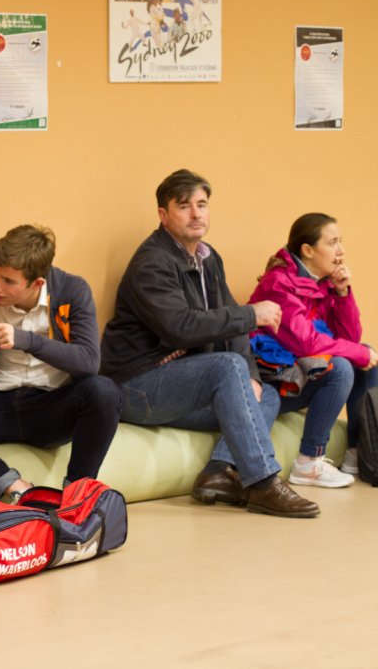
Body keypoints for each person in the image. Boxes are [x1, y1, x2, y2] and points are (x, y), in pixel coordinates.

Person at [100, 168, 320, 518]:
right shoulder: (152, 263)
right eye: (184, 206)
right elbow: (180, 327)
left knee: (265, 392)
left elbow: (232, 322)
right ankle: (264, 483)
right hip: (138, 385)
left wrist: (251, 375)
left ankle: (218, 472)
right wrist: (251, 315)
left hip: (181, 381)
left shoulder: (207, 257)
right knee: (227, 366)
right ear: (163, 215)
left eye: (201, 205)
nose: (196, 214)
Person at [0, 225, 122, 502]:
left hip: (50, 407)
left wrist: (27, 340)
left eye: (8, 281)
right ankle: (11, 486)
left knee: (104, 391)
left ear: (36, 283)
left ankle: (77, 495)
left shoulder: (72, 291)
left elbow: (88, 363)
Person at [248, 213, 378, 487]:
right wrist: (357, 353)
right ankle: (308, 461)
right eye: (332, 243)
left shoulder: (322, 283)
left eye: (341, 242)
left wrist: (343, 294)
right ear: (308, 250)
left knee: (362, 355)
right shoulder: (279, 284)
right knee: (341, 366)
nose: (341, 251)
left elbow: (350, 339)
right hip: (276, 382)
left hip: (302, 373)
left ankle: (356, 453)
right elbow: (306, 343)